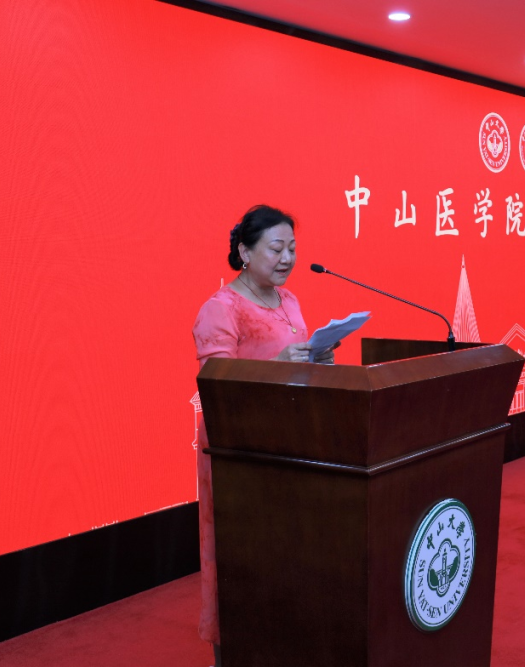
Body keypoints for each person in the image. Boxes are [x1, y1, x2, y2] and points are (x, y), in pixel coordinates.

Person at [191, 204, 336, 666]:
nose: (287, 258)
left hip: (289, 439)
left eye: (292, 248)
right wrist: (278, 365)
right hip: (238, 448)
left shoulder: (289, 300)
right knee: (241, 556)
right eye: (276, 248)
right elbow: (217, 384)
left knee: (288, 552)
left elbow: (294, 365)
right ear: (244, 252)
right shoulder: (221, 308)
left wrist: (318, 359)